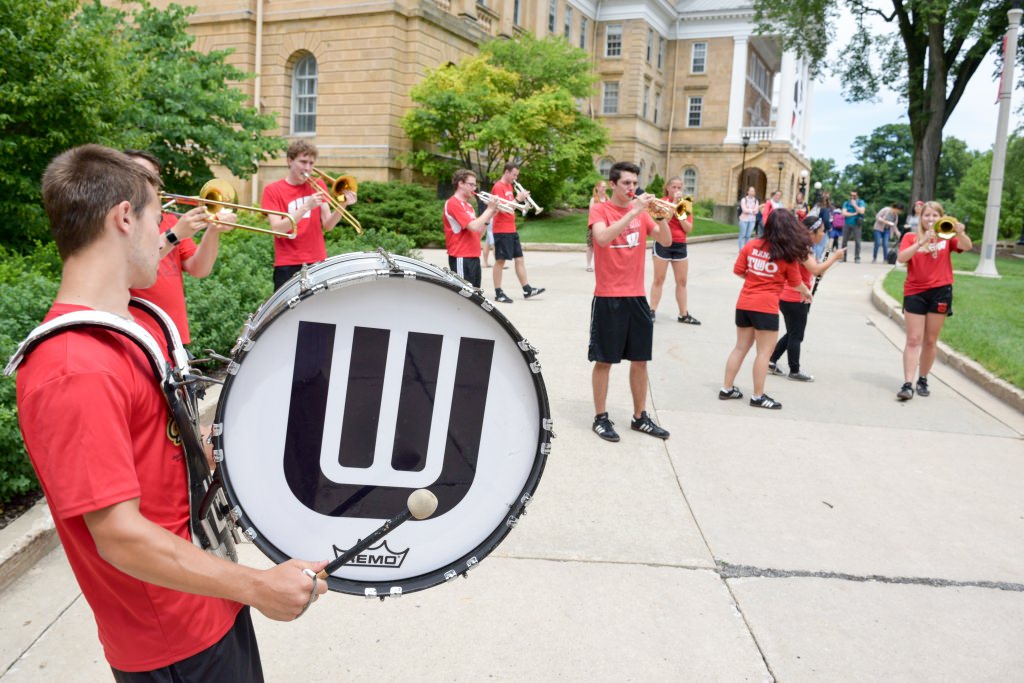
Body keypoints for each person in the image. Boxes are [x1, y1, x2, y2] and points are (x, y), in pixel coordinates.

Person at [12, 145, 327, 681]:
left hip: (208, 598)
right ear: (125, 217)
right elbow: (118, 533)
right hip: (171, 639)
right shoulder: (74, 365)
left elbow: (166, 453)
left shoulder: (137, 325)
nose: (166, 234)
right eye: (161, 217)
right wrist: (257, 585)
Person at [588, 161, 673, 442]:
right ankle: (600, 417)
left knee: (640, 360)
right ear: (613, 184)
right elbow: (601, 238)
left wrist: (661, 216)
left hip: (637, 296)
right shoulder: (600, 209)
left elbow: (666, 241)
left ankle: (640, 417)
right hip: (609, 296)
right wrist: (634, 211)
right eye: (626, 183)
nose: (631, 188)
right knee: (604, 360)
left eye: (634, 183)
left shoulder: (642, 213)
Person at [124, 150, 234, 345]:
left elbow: (199, 269)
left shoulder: (169, 219)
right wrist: (175, 235)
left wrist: (213, 231)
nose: (153, 182)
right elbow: (131, 270)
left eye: (155, 176)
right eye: (144, 175)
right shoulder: (122, 221)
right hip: (139, 334)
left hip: (173, 333)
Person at [719, 209, 813, 410]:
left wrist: (756, 279)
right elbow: (796, 283)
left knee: (740, 347)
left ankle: (726, 388)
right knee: (764, 353)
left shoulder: (751, 245)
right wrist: (806, 292)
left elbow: (738, 271)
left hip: (744, 303)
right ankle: (758, 396)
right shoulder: (787, 256)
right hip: (766, 307)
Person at [894, 200, 972, 401]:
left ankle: (923, 378)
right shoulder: (910, 237)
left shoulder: (947, 236)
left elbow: (967, 246)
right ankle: (907, 383)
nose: (930, 219)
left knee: (930, 340)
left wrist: (960, 232)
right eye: (927, 215)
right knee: (913, 339)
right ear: (921, 217)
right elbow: (902, 258)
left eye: (935, 215)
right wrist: (921, 242)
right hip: (915, 291)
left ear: (941, 217)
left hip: (940, 291)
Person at [261, 140, 356, 290]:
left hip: (317, 261)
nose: (308, 168)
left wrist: (342, 204)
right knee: (287, 313)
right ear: (290, 161)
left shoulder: (318, 185)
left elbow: (328, 225)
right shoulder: (273, 190)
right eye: (303, 162)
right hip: (287, 264)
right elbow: (278, 230)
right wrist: (306, 207)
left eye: (311, 163)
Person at [767, 215, 845, 381]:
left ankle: (771, 360)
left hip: (792, 296)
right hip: (795, 297)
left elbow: (815, 271)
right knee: (797, 335)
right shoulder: (801, 249)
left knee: (792, 332)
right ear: (812, 232)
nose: (824, 234)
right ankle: (794, 370)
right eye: (822, 231)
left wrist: (821, 268)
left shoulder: (801, 247)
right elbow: (816, 269)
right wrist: (834, 257)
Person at [490, 162, 544, 303]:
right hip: (501, 230)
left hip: (511, 229)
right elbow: (502, 208)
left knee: (519, 259)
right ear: (506, 172)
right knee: (500, 261)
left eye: (516, 175)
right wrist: (518, 199)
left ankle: (527, 289)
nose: (515, 178)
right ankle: (498, 292)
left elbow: (512, 206)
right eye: (514, 174)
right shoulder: (498, 187)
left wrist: (523, 205)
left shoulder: (509, 186)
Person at [649, 177, 700, 325]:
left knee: (682, 281)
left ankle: (683, 314)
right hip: (663, 243)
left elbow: (688, 228)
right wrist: (672, 205)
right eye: (674, 187)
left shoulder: (686, 203)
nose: (677, 190)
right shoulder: (661, 202)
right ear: (668, 188)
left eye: (679, 187)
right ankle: (651, 311)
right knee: (659, 279)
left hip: (679, 245)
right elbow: (664, 219)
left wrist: (681, 209)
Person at [443, 169, 499, 288]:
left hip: (473, 256)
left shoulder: (468, 206)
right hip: (461, 257)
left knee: (474, 296)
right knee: (463, 298)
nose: (474, 188)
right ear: (460, 184)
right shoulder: (453, 203)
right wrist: (489, 209)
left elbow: (478, 233)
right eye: (471, 184)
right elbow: (473, 226)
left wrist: (489, 217)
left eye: (475, 185)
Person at [587, 180, 608, 271]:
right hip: (595, 225)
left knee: (604, 245)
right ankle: (588, 265)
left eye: (605, 187)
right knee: (591, 245)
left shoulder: (607, 199)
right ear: (598, 188)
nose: (605, 189)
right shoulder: (594, 199)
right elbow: (591, 212)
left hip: (605, 225)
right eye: (603, 187)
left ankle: (603, 264)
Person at [841, 189, 866, 263]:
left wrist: (855, 205)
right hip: (847, 223)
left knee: (857, 242)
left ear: (857, 195)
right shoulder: (846, 202)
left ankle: (857, 258)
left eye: (854, 195)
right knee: (844, 241)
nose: (852, 197)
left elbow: (862, 211)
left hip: (856, 224)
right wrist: (854, 213)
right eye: (851, 195)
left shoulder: (861, 202)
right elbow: (844, 213)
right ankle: (843, 257)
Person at [812, 191, 834, 262]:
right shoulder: (826, 209)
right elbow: (826, 220)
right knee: (821, 245)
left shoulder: (816, 206)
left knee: (815, 244)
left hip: (814, 227)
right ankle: (817, 259)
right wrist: (829, 227)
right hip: (822, 229)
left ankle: (813, 258)